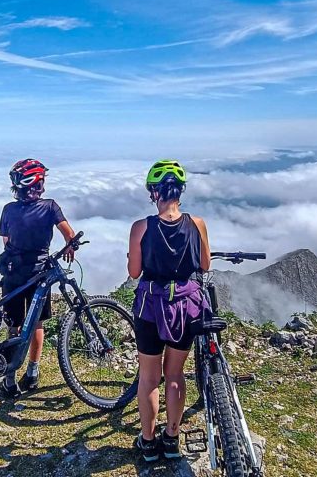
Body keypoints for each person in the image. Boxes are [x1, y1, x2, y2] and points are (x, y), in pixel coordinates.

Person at [127, 160, 211, 461]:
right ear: (180, 191)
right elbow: (204, 265)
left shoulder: (141, 228)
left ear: (154, 192)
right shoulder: (197, 224)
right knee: (174, 374)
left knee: (149, 378)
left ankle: (148, 442)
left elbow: (134, 272)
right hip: (187, 307)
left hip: (151, 305)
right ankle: (172, 438)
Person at [0, 158, 76, 397]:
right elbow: (69, 234)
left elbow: (6, 241)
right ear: (36, 183)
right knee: (36, 324)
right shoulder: (50, 207)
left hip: (12, 273)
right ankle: (32, 372)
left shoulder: (8, 210)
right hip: (40, 274)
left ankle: (9, 378)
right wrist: (71, 246)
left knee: (14, 325)